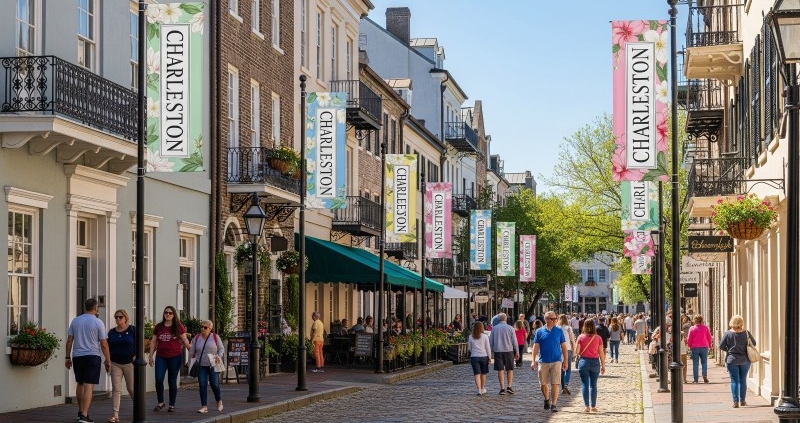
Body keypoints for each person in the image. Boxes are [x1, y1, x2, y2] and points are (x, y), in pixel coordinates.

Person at [65, 298, 112, 423]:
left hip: (77, 356)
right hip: (92, 356)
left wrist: (67, 357)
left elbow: (69, 340)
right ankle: (85, 415)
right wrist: (108, 360)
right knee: (89, 385)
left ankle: (80, 412)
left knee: (80, 383)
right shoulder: (98, 322)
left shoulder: (75, 321)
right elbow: (104, 343)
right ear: (96, 308)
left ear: (85, 307)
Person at [148, 306, 191, 412]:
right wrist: (150, 355)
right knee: (158, 379)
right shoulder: (159, 327)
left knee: (172, 381)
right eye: (166, 312)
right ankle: (161, 402)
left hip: (175, 357)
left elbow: (185, 340)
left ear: (173, 315)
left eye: (170, 313)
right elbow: (154, 341)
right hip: (161, 357)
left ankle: (172, 404)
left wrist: (192, 351)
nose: (167, 314)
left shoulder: (178, 327)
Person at [531, 311, 568, 412]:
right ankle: (546, 399)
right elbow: (535, 347)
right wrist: (533, 360)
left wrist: (566, 361)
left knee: (555, 383)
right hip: (543, 361)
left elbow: (564, 346)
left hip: (556, 361)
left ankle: (554, 404)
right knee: (543, 384)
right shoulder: (539, 331)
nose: (555, 320)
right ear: (546, 320)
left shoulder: (559, 330)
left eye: (555, 318)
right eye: (553, 319)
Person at [718, 315, 757, 408]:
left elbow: (721, 346)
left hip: (732, 360)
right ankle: (743, 401)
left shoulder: (728, 334)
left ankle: (736, 402)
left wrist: (729, 349)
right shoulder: (746, 333)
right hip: (745, 360)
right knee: (743, 380)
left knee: (734, 381)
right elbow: (754, 343)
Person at [189, 320, 224, 413]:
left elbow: (221, 349)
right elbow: (192, 351)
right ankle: (204, 406)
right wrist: (190, 361)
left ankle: (219, 401)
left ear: (210, 328)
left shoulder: (215, 337)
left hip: (213, 364)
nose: (202, 329)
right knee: (202, 384)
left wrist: (219, 356)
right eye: (201, 327)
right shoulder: (197, 338)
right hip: (201, 365)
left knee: (214, 384)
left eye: (205, 327)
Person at [107, 309, 135, 423]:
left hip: (129, 363)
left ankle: (138, 409)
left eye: (120, 317)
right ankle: (115, 414)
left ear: (125, 318)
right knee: (116, 389)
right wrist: (107, 360)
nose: (118, 319)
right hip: (115, 363)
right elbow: (107, 347)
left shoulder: (133, 330)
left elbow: (139, 344)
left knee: (131, 388)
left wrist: (136, 356)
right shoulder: (112, 332)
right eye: (116, 317)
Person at [576, 319, 606, 412]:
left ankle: (586, 406)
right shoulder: (598, 338)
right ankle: (593, 406)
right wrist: (603, 365)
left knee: (585, 384)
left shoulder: (580, 337)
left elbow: (577, 352)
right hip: (595, 362)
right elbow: (601, 353)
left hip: (584, 361)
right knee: (593, 385)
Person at [489, 313, 519, 395]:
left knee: (500, 370)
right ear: (506, 319)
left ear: (498, 319)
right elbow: (514, 341)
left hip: (498, 351)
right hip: (509, 351)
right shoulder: (510, 328)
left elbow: (490, 341)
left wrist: (490, 352)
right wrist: (517, 351)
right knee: (510, 369)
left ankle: (502, 388)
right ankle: (509, 386)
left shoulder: (494, 328)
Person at [687, 314, 713, 383]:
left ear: (694, 320)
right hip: (704, 347)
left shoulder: (692, 328)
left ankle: (696, 379)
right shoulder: (705, 328)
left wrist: (689, 346)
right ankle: (704, 375)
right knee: (704, 362)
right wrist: (710, 346)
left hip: (695, 347)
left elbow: (689, 339)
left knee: (695, 363)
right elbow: (709, 337)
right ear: (701, 320)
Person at [467, 321, 492, 396]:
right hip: (484, 356)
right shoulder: (485, 336)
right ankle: (482, 387)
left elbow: (469, 348)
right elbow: (488, 348)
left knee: (477, 374)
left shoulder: (471, 336)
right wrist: (490, 357)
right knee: (483, 373)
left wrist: (473, 352)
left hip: (474, 356)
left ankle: (479, 390)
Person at [557, 314, 576, 395]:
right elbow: (572, 340)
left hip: (558, 350)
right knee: (567, 368)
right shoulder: (568, 328)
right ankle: (565, 385)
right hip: (567, 349)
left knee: (561, 369)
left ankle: (563, 387)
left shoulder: (556, 328)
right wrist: (574, 351)